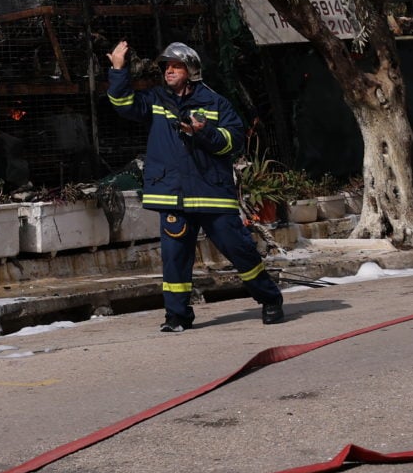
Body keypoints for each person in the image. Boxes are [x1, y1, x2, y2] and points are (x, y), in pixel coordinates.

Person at [104, 39, 286, 331]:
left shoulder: (215, 103)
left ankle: (270, 299)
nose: (169, 72)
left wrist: (205, 132)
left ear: (191, 70)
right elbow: (123, 104)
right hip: (174, 196)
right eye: (166, 67)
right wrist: (117, 69)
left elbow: (233, 141)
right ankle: (176, 316)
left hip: (211, 194)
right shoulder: (156, 100)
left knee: (240, 251)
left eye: (176, 66)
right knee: (175, 259)